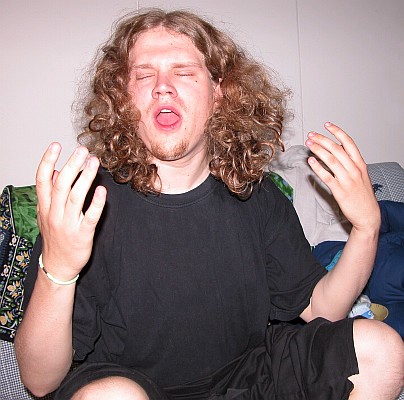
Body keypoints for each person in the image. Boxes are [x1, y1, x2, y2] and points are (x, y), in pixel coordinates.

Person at [14, 8, 404, 400]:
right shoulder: (84, 206)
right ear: (122, 97)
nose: (162, 87)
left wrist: (366, 228)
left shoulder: (256, 195)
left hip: (246, 379)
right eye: (144, 75)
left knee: (380, 349)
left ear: (219, 93)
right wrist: (58, 271)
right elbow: (39, 380)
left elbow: (322, 309)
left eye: (183, 72)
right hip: (131, 386)